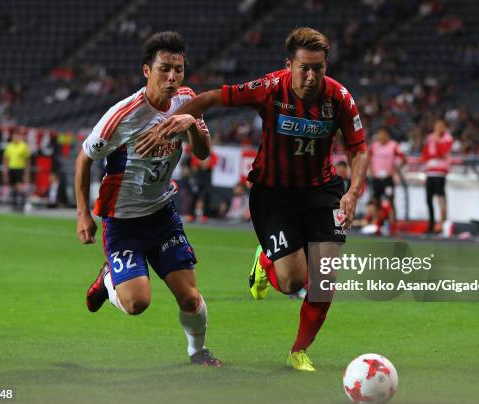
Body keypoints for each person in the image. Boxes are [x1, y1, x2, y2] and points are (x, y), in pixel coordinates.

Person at [136, 27, 369, 371]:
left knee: (324, 280)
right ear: (289, 64)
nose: (310, 76)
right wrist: (180, 118)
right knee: (292, 282)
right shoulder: (270, 88)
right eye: (303, 67)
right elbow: (214, 97)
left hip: (322, 192)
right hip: (273, 194)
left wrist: (352, 193)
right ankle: (266, 261)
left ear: (326, 66)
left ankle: (299, 350)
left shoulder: (339, 98)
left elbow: (359, 149)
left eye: (318, 68)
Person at [74, 32, 221, 367]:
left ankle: (197, 351)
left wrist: (191, 124)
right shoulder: (121, 116)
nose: (172, 77)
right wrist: (83, 214)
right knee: (136, 304)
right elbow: (84, 158)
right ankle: (108, 278)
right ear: (146, 71)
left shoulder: (187, 100)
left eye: (178, 70)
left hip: (162, 214)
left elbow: (202, 153)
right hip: (122, 221)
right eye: (164, 69)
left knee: (190, 297)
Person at [369, 126, 405, 231]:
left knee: (390, 201)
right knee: (376, 201)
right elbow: (367, 157)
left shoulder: (393, 146)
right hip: (377, 178)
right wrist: (371, 171)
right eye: (379, 134)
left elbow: (403, 158)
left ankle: (393, 225)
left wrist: (394, 170)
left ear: (387, 135)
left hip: (387, 178)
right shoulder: (375, 146)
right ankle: (377, 224)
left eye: (383, 134)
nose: (381, 136)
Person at [422, 118, 452, 233]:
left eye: (441, 126)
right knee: (429, 199)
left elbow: (442, 152)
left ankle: (442, 223)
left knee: (440, 198)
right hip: (430, 172)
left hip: (440, 173)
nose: (438, 128)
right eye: (437, 125)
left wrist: (438, 140)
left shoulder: (447, 138)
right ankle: (431, 223)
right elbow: (425, 153)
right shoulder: (429, 138)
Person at [2, 130, 30, 211]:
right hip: (11, 168)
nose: (16, 138)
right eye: (14, 136)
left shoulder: (23, 146)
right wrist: (5, 170)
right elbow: (6, 159)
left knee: (20, 186)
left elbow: (27, 159)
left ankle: (23, 203)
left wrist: (26, 171)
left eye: (17, 136)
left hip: (20, 168)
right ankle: (14, 204)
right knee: (13, 187)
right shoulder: (9, 146)